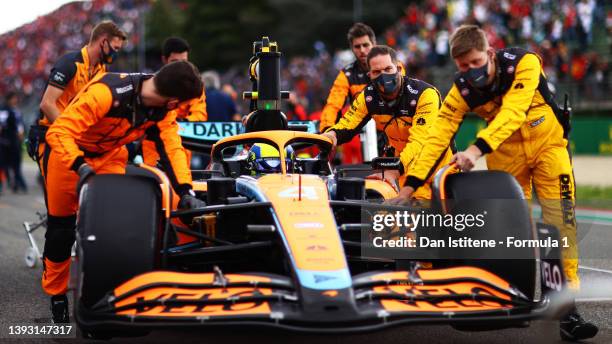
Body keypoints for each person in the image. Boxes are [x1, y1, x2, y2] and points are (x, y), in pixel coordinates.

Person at [397, 25, 597, 340]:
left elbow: (514, 112)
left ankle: (566, 310)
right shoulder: (461, 89)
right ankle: (503, 297)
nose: (469, 72)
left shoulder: (525, 62)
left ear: (489, 53)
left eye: (475, 63)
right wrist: (409, 185)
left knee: (560, 224)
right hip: (505, 153)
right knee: (504, 226)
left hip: (549, 146)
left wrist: (475, 150)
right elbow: (437, 136)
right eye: (463, 67)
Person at [43, 61, 206, 323]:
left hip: (109, 158)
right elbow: (60, 131)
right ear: (174, 102)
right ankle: (57, 294)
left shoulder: (161, 111)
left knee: (114, 225)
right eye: (185, 105)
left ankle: (112, 288)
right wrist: (79, 165)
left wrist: (185, 190)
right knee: (60, 230)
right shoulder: (107, 92)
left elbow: (171, 146)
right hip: (68, 157)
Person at [322, 46, 451, 199]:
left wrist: (394, 171)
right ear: (369, 75)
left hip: (440, 171)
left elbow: (421, 142)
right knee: (406, 218)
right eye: (377, 72)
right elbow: (347, 124)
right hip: (405, 173)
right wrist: (331, 134)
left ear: (398, 68)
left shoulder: (425, 95)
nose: (383, 76)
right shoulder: (368, 97)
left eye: (388, 69)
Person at [141, 37, 207, 168]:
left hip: (180, 147)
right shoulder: (151, 83)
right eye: (175, 61)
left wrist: (177, 124)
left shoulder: (193, 87)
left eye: (184, 62)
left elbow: (200, 116)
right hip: (153, 150)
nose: (180, 66)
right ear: (164, 60)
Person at [0, 92, 27, 193]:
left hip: (12, 142)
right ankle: (9, 183)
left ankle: (17, 183)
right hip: (6, 141)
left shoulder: (16, 110)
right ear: (9, 99)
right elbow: (2, 124)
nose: (15, 100)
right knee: (4, 165)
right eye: (13, 98)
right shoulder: (6, 110)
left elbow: (20, 126)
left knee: (15, 165)